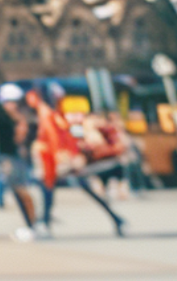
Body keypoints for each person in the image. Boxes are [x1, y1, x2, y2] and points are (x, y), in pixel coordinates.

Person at [28, 88, 125, 238]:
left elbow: (56, 137)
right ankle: (115, 218)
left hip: (57, 159)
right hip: (58, 157)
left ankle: (45, 223)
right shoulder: (53, 113)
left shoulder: (47, 113)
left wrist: (64, 155)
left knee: (49, 188)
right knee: (64, 188)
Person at [0, 86, 41, 240]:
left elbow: (20, 138)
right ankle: (30, 224)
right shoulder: (4, 118)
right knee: (19, 192)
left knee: (21, 191)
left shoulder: (17, 118)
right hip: (9, 156)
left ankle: (31, 225)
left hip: (13, 158)